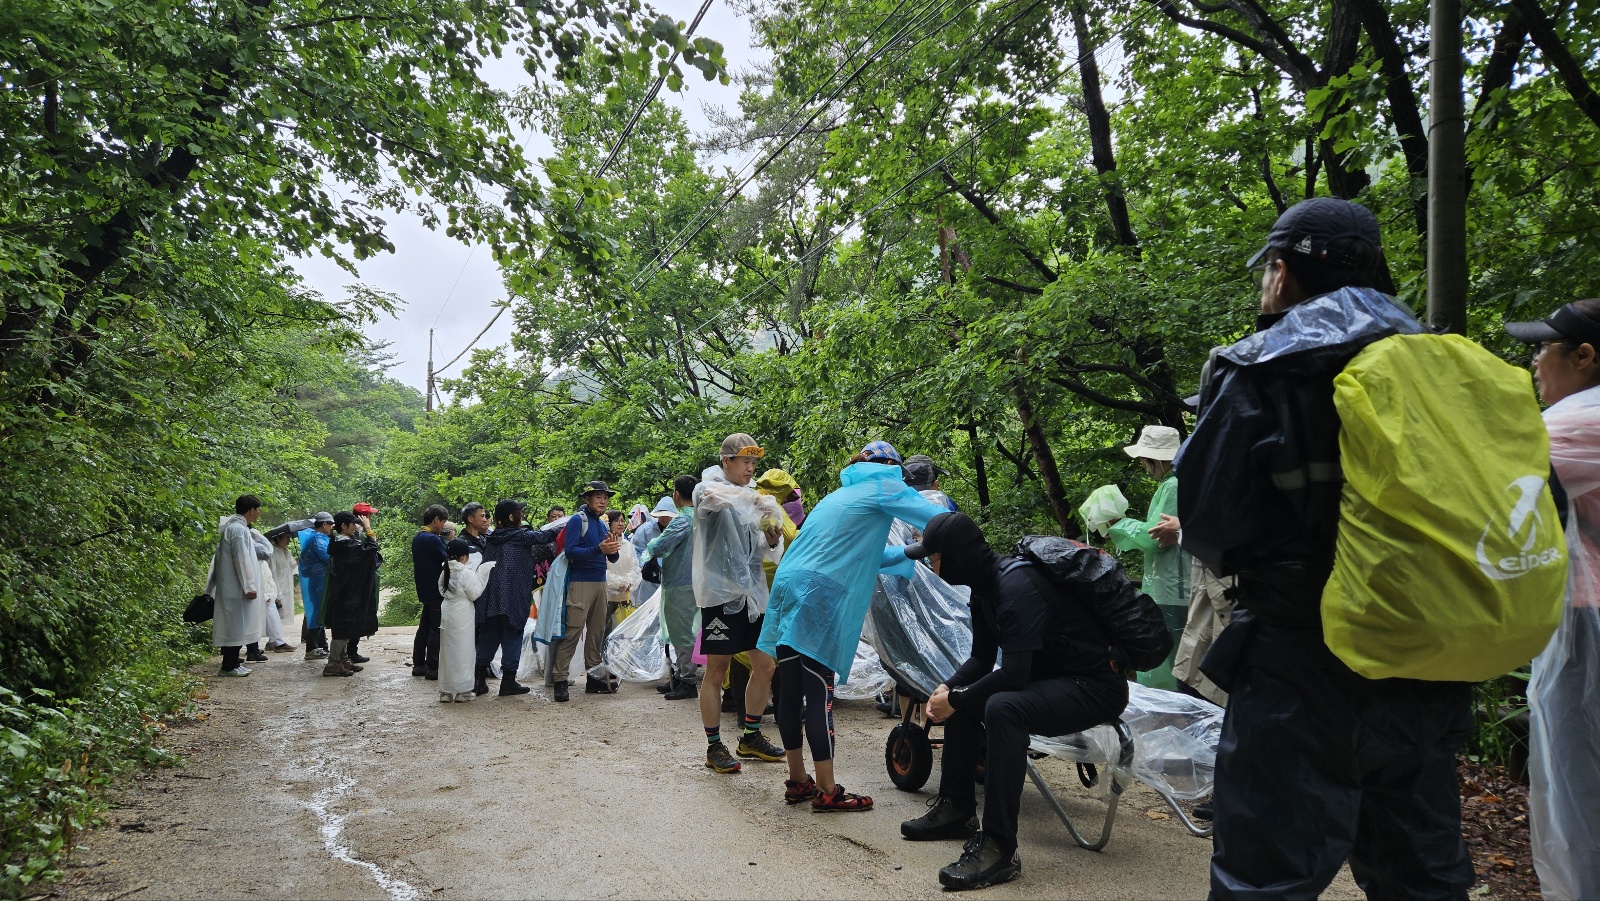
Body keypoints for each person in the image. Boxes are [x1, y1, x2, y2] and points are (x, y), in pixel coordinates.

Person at [1175, 197, 1472, 899]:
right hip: (1431, 652)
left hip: (1302, 658)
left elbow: (1210, 521)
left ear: (1281, 273)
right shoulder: (1448, 362)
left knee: (1267, 873)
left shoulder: (1262, 368)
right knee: (1421, 869)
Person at [896, 512, 1128, 890]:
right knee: (969, 698)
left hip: (1095, 687)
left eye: (933, 557)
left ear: (956, 557)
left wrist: (957, 697)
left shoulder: (1016, 587)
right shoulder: (983, 587)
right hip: (1053, 679)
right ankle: (956, 809)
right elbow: (980, 659)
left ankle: (999, 846)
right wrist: (948, 688)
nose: (930, 566)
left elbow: (1016, 675)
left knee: (1002, 708)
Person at [758, 442, 944, 811]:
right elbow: (941, 521)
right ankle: (828, 790)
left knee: (790, 688)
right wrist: (953, 538)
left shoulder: (841, 495)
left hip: (789, 585)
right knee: (819, 691)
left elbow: (868, 555)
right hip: (818, 595)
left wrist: (913, 552)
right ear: (891, 466)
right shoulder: (883, 483)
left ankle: (798, 780)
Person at [1506, 300, 1600, 900]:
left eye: (1543, 347)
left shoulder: (1578, 423)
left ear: (1584, 355)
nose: (1535, 362)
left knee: (1580, 783)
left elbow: (1491, 486)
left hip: (1586, 624)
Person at [691, 434, 788, 774]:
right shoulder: (706, 489)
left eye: (754, 463)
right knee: (717, 670)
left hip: (752, 598)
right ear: (726, 461)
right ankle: (713, 746)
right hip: (720, 597)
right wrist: (759, 500)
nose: (750, 468)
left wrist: (771, 539)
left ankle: (750, 737)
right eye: (745, 461)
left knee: (766, 666)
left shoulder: (750, 497)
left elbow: (760, 550)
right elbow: (716, 498)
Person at [1106, 425, 1189, 691]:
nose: (1142, 463)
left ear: (1157, 458)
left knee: (1168, 661)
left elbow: (1155, 538)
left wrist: (1120, 524)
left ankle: (1172, 711)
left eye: (1144, 458)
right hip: (1174, 585)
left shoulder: (1173, 486)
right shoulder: (1174, 483)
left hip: (1173, 588)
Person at [474, 499, 556, 697]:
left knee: (489, 635)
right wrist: (568, 523)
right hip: (512, 596)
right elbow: (546, 535)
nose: (522, 515)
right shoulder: (520, 536)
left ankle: (478, 680)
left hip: (490, 597)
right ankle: (508, 682)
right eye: (519, 512)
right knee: (512, 635)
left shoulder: (492, 538)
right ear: (512, 517)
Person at [551, 481, 622, 702]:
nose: (603, 501)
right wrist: (599, 549)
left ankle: (593, 678)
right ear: (587, 499)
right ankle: (560, 680)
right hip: (580, 582)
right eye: (598, 497)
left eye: (605, 497)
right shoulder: (577, 520)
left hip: (600, 582)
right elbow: (570, 551)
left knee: (596, 633)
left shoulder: (602, 524)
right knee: (572, 632)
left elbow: (612, 557)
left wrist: (612, 550)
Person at [645, 477, 700, 700]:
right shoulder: (704, 517)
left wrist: (650, 547)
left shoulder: (683, 520)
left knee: (682, 632)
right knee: (689, 631)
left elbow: (659, 546)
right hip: (698, 582)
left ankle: (687, 680)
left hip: (680, 583)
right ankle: (680, 676)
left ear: (676, 494)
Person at [206, 495, 267, 676]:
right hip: (236, 588)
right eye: (257, 509)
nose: (259, 513)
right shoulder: (238, 530)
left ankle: (232, 663)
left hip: (234, 587)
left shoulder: (236, 528)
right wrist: (249, 586)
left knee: (238, 626)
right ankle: (229, 665)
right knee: (236, 627)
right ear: (251, 510)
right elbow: (241, 559)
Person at [321, 512, 381, 677]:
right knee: (342, 629)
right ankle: (333, 663)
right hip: (346, 594)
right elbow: (371, 550)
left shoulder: (340, 543)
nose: (356, 527)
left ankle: (342, 659)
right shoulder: (346, 546)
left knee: (347, 628)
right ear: (344, 526)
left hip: (345, 592)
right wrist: (368, 530)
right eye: (353, 524)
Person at [438, 537, 490, 703]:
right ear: (463, 557)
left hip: (447, 610)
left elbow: (441, 590)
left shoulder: (445, 570)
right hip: (462, 613)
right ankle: (463, 691)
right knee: (464, 650)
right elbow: (474, 594)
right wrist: (482, 575)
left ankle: (445, 691)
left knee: (447, 651)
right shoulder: (466, 573)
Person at [410, 504, 450, 680]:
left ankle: (419, 664)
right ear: (436, 520)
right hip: (435, 590)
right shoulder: (432, 539)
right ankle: (433, 667)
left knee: (424, 627)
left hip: (424, 589)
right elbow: (446, 560)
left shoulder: (419, 536)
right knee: (436, 628)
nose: (443, 526)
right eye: (443, 522)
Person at [297, 512, 334, 659]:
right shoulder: (318, 539)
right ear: (324, 524)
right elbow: (328, 557)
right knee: (317, 613)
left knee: (318, 612)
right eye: (330, 524)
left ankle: (321, 645)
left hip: (317, 580)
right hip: (319, 581)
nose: (332, 527)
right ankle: (312, 647)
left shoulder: (315, 538)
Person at [630, 496, 675, 605]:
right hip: (650, 575)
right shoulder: (645, 529)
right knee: (647, 606)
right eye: (661, 515)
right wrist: (642, 565)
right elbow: (636, 549)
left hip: (671, 575)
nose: (664, 518)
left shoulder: (677, 529)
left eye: (667, 515)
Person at [250, 526, 286, 658]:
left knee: (263, 620)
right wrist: (265, 594)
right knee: (253, 622)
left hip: (266, 594)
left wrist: (271, 592)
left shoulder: (262, 561)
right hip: (259, 594)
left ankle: (270, 643)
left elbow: (268, 578)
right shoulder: (253, 560)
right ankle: (253, 649)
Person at [604, 509, 641, 633]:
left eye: (622, 521)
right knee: (606, 631)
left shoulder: (628, 545)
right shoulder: (604, 544)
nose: (620, 524)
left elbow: (635, 567)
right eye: (616, 521)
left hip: (626, 596)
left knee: (625, 633)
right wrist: (619, 583)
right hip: (607, 597)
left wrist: (628, 582)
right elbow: (603, 570)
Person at [264, 525, 298, 652]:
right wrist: (276, 592)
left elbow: (290, 567)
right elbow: (272, 572)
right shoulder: (272, 552)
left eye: (289, 537)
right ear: (278, 538)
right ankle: (277, 642)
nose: (288, 540)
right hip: (276, 587)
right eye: (286, 537)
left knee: (278, 616)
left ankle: (272, 641)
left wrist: (297, 561)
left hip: (286, 586)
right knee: (274, 615)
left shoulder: (287, 552)